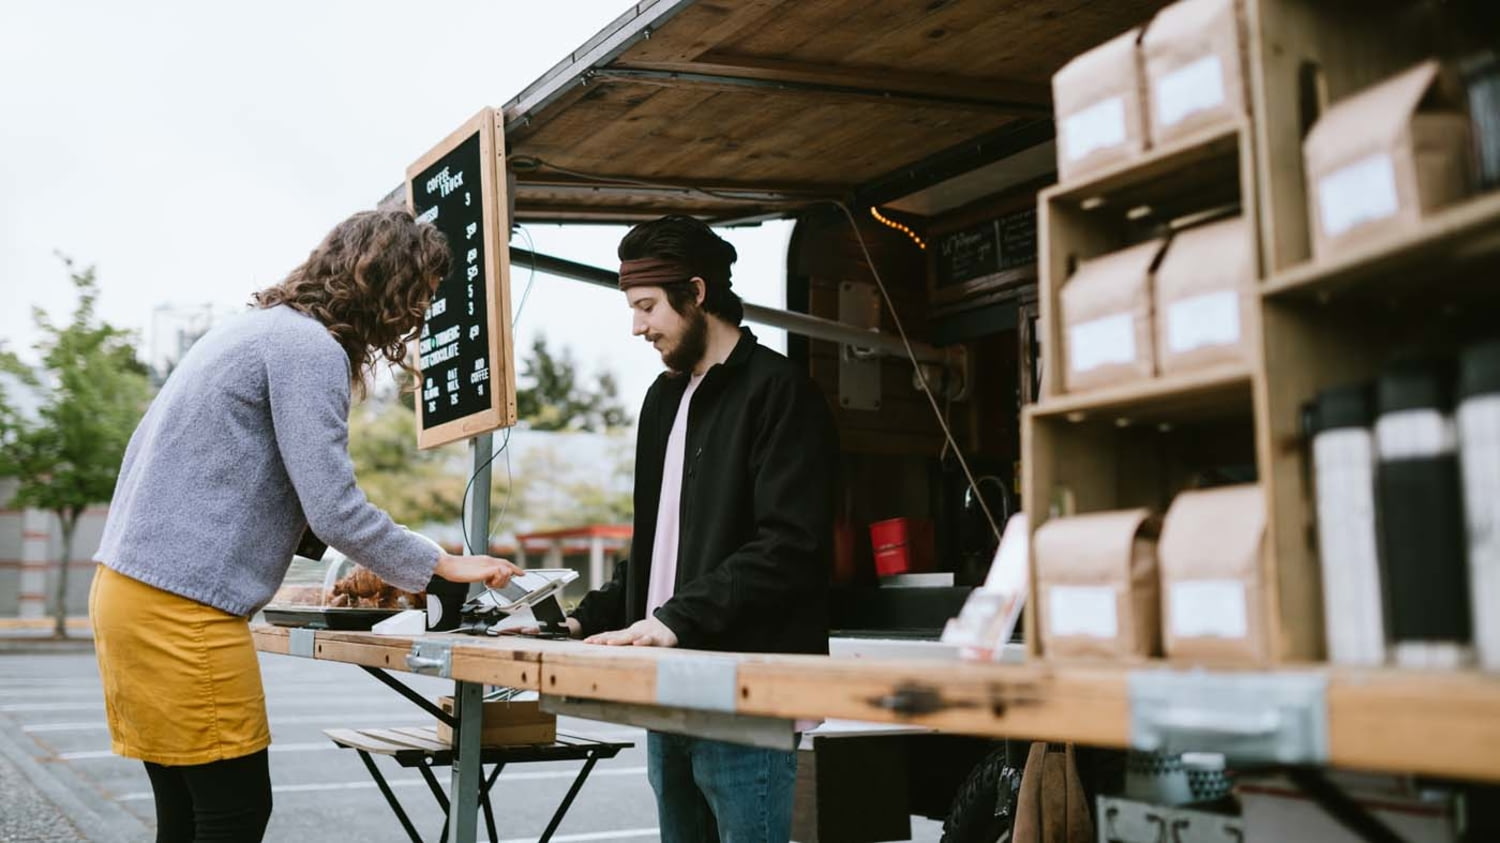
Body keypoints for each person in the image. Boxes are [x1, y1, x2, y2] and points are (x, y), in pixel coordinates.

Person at [88, 208, 521, 843]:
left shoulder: (255, 330)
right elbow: (332, 505)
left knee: (186, 815)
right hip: (181, 610)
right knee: (234, 814)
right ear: (385, 281)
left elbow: (251, 483)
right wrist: (439, 563)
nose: (420, 315)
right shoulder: (306, 348)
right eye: (420, 294)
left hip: (129, 592)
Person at [565, 214, 838, 842]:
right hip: (668, 691)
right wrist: (581, 618)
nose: (637, 326)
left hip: (746, 697)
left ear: (696, 291)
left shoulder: (782, 392)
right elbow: (658, 549)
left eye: (647, 306)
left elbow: (791, 546)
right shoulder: (663, 400)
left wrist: (674, 620)